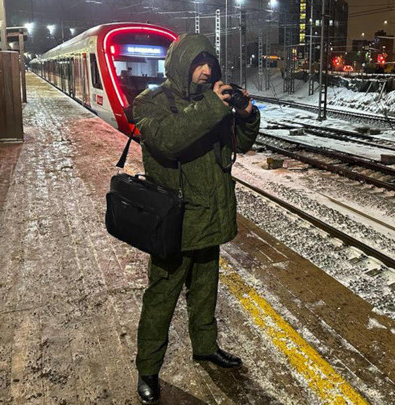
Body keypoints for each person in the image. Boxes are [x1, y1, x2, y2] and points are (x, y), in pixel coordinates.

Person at [132, 33, 260, 404]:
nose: (206, 72)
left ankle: (205, 347)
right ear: (180, 65)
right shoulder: (151, 103)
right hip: (174, 222)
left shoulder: (213, 102)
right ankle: (148, 369)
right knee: (161, 298)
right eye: (198, 65)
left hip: (210, 216)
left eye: (210, 65)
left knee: (205, 292)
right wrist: (213, 107)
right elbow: (169, 140)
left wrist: (247, 116)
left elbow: (241, 144)